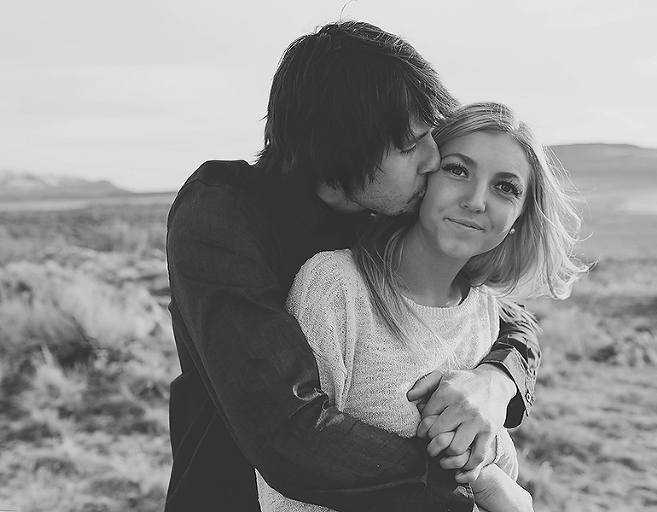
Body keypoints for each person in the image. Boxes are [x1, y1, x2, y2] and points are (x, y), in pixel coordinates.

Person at [165, 22, 541, 512]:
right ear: (343, 148)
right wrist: (470, 488)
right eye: (409, 145)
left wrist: (495, 381)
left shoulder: (377, 208)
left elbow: (507, 318)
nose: (433, 159)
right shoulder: (219, 219)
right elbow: (290, 433)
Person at [256, 102, 586, 512]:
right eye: (458, 170)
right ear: (423, 176)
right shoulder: (336, 287)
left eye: (505, 187)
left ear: (518, 217)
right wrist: (485, 489)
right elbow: (286, 491)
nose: (476, 201)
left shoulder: (485, 312)